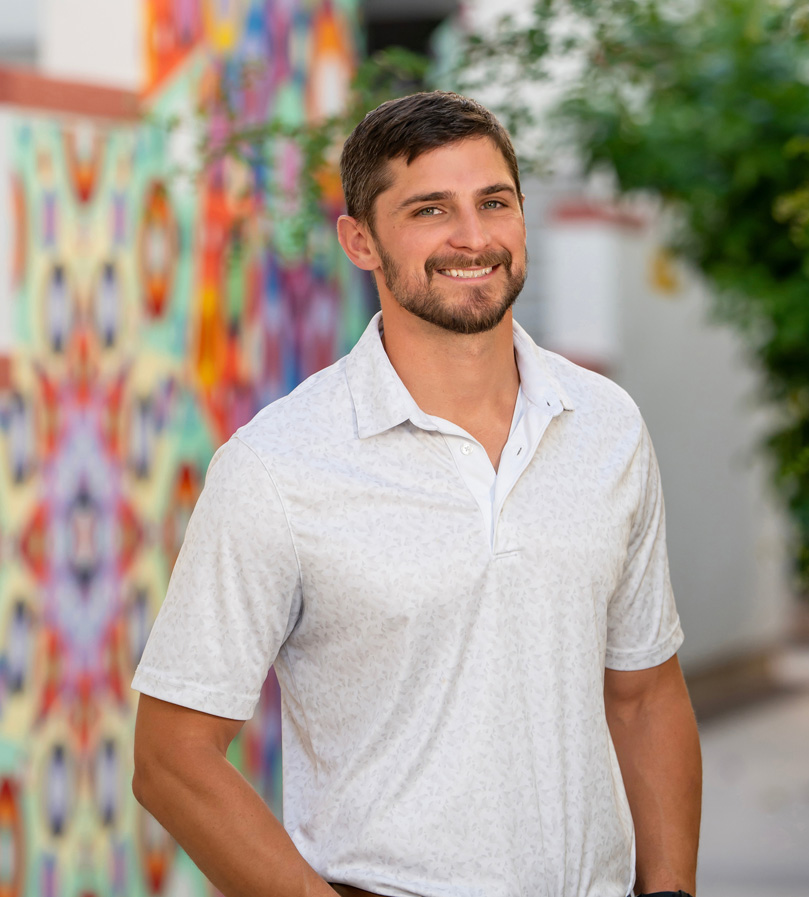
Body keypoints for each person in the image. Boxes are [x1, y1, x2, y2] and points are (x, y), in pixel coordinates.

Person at [132, 90, 702, 897]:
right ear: (360, 241)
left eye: (494, 202)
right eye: (431, 209)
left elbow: (645, 695)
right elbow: (171, 756)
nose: (473, 237)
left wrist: (671, 887)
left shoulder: (606, 424)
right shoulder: (278, 464)